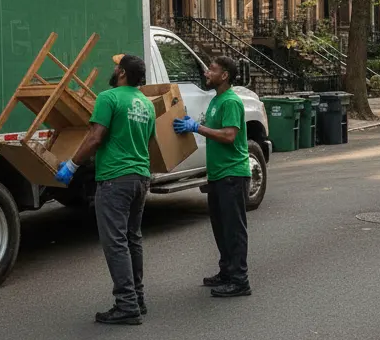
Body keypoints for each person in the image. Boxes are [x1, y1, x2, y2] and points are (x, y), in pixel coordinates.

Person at [55, 53, 155, 325]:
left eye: (116, 66)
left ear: (122, 72)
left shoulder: (108, 98)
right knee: (132, 238)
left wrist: (72, 166)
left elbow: (95, 137)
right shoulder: (147, 104)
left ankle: (126, 305)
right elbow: (148, 141)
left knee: (116, 242)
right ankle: (138, 298)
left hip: (115, 179)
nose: (113, 69)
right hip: (140, 177)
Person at [173, 54, 252, 298]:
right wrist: (194, 122)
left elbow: (229, 135)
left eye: (212, 69)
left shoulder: (230, 101)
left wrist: (197, 128)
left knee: (233, 229)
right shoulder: (216, 100)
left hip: (232, 174)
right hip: (218, 174)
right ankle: (227, 271)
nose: (207, 73)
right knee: (220, 227)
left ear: (224, 75)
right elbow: (214, 127)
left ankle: (240, 280)